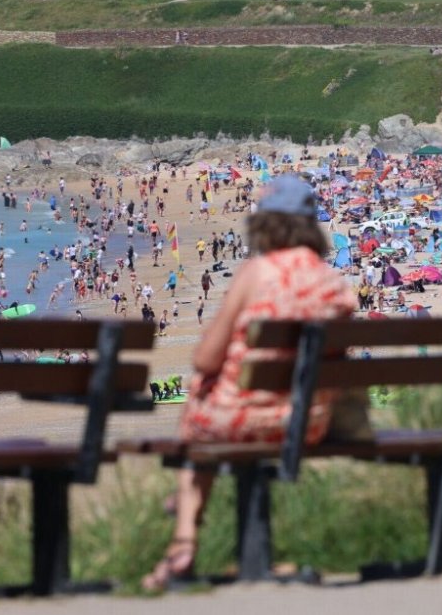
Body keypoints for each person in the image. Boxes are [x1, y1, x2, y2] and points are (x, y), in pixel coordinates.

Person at [142, 175, 357, 591]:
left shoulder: (257, 272)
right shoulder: (333, 283)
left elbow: (204, 358)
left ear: (265, 224)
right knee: (206, 417)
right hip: (306, 422)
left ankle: (185, 538)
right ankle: (193, 526)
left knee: (199, 414)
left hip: (235, 422)